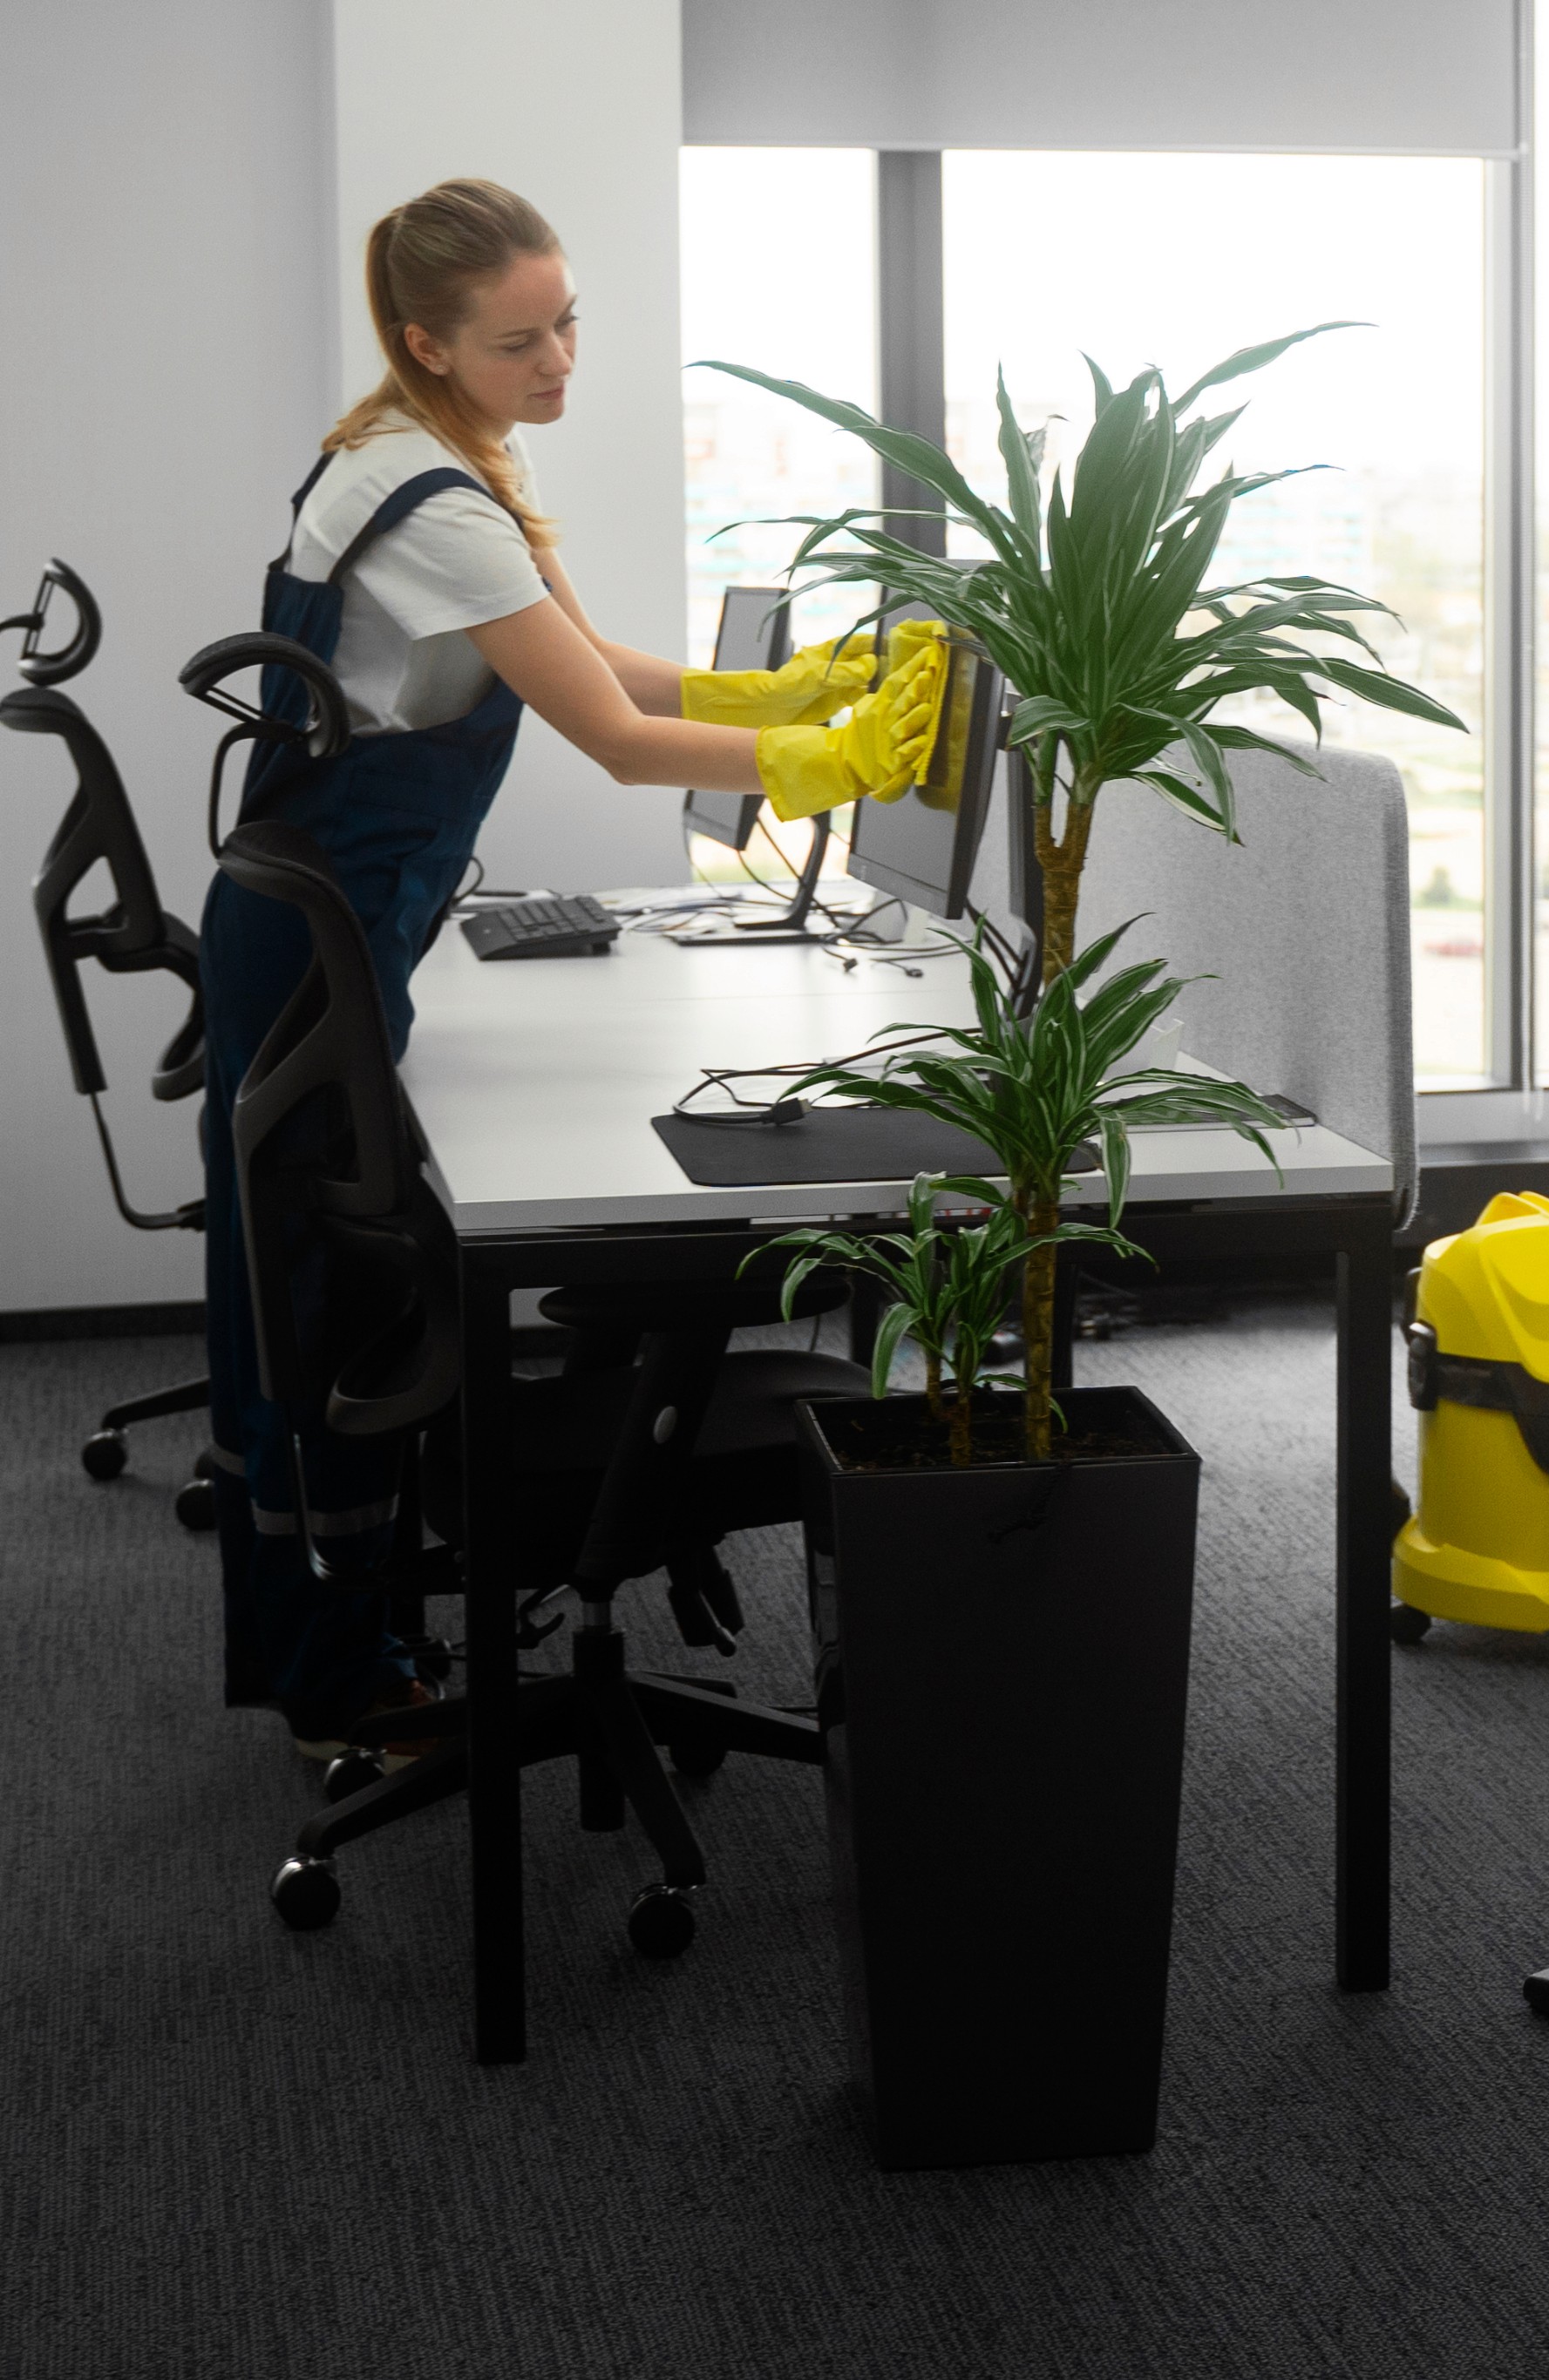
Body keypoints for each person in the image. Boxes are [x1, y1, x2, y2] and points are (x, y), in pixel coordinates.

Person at [205, 177, 942, 1763]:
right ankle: (348, 1682)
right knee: (322, 1303)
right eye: (521, 339)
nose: (560, 363)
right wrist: (831, 758)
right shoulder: (439, 501)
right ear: (429, 340)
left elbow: (586, 657)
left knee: (326, 1287)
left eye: (568, 323)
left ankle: (357, 1642)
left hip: (331, 917)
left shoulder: (406, 448)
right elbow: (608, 738)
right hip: (322, 942)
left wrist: (782, 685)